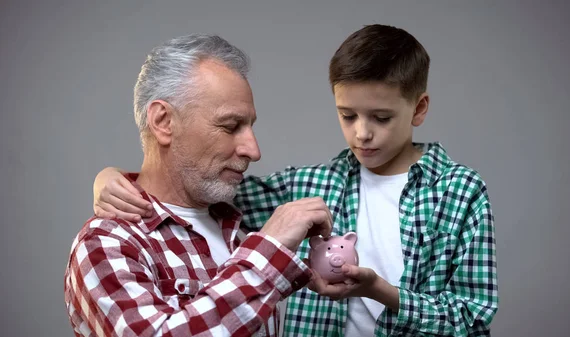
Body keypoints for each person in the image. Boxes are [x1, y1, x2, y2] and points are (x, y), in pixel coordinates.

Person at [92, 24, 498, 336]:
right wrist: (110, 178)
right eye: (347, 115)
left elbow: (473, 317)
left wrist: (379, 290)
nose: (362, 134)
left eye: (381, 117)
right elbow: (198, 185)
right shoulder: (306, 187)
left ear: (419, 108)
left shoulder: (459, 192)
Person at [63, 33, 334, 337]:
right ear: (164, 121)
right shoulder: (107, 243)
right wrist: (267, 252)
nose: (253, 151)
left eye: (249, 126)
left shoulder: (241, 225)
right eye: (230, 126)